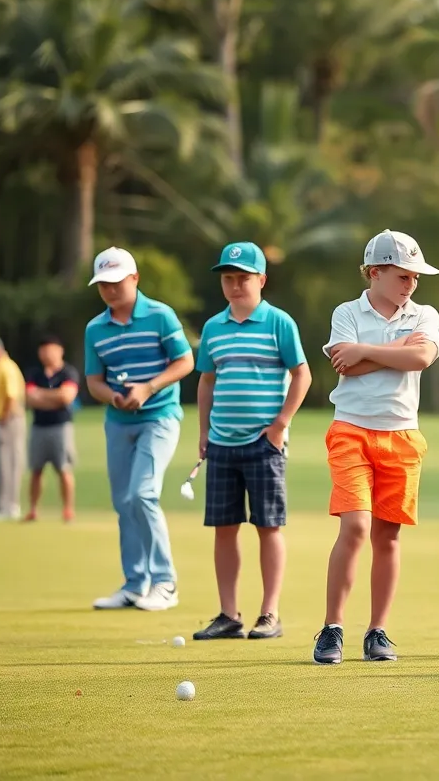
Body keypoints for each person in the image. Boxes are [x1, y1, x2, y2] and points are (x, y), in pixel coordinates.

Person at [313, 231, 439, 665]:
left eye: (414, 277)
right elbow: (341, 364)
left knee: (387, 536)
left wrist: (366, 354)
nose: (411, 284)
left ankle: (377, 631)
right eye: (402, 275)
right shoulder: (346, 312)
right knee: (355, 528)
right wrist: (395, 349)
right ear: (375, 272)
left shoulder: (425, 314)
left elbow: (420, 360)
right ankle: (332, 628)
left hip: (402, 435)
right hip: (350, 429)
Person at [192, 242, 311, 641]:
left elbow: (302, 375)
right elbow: (206, 381)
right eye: (228, 278)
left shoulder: (279, 323)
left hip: (265, 444)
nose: (235, 285)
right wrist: (204, 432)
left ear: (261, 279)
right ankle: (228, 615)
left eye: (243, 278)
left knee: (268, 527)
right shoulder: (212, 328)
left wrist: (280, 425)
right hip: (222, 442)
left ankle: (269, 614)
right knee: (223, 527)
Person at [83, 247, 194, 611]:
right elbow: (94, 381)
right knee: (124, 503)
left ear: (134, 279)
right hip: (118, 422)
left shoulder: (160, 316)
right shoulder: (95, 329)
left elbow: (185, 361)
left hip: (159, 417)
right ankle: (134, 584)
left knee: (143, 493)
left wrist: (147, 388)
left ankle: (165, 583)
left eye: (117, 282)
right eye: (104, 285)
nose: (111, 290)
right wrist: (115, 398)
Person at [23, 335, 80, 523]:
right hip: (39, 426)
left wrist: (42, 396)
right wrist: (53, 397)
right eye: (44, 349)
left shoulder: (68, 373)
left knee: (64, 469)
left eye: (51, 349)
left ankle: (68, 510)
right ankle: (32, 509)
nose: (47, 353)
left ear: (60, 351)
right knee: (36, 470)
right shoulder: (34, 373)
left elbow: (66, 397)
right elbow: (29, 398)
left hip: (61, 426)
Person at [0, 334, 27, 521]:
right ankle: (1, 504)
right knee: (1, 463)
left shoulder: (6, 367)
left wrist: (3, 418)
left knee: (9, 463)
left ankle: (9, 505)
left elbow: (11, 396)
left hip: (8, 421)